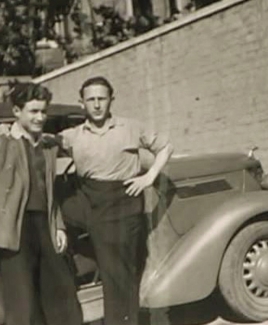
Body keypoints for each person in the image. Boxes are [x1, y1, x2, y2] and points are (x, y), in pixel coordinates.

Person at [56, 76, 173, 325]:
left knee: (119, 273)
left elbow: (165, 147)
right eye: (91, 100)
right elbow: (37, 146)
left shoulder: (131, 127)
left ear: (111, 100)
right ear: (82, 103)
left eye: (102, 98)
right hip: (88, 198)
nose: (97, 104)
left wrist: (149, 177)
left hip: (123, 201)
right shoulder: (71, 135)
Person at [0, 82, 82, 325]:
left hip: (43, 224)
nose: (40, 117)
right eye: (33, 111)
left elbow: (49, 192)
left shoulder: (47, 146)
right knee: (21, 302)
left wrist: (58, 226)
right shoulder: (4, 141)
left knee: (62, 296)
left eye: (43, 111)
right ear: (16, 111)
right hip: (13, 228)